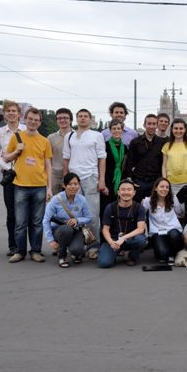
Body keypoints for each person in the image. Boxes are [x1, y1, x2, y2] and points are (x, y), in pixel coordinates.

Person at [3, 108, 53, 263]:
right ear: (25, 119)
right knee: (20, 222)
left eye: (36, 120)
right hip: (20, 185)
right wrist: (16, 152)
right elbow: (6, 158)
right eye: (30, 119)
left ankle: (36, 251)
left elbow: (48, 164)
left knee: (37, 222)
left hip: (39, 186)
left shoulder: (44, 141)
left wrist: (49, 187)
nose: (33, 122)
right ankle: (19, 251)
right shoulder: (17, 137)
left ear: (40, 122)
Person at [62, 108, 106, 259]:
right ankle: (77, 245)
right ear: (76, 119)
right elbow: (66, 159)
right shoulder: (70, 136)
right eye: (80, 116)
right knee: (74, 213)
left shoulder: (97, 135)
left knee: (92, 214)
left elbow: (102, 158)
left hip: (91, 176)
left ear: (90, 119)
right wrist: (65, 179)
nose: (82, 119)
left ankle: (93, 246)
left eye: (85, 116)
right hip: (74, 178)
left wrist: (101, 179)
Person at [0, 100, 26, 256]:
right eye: (8, 111)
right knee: (11, 212)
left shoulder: (26, 130)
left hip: (26, 175)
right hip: (9, 176)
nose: (11, 113)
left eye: (14, 111)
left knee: (27, 212)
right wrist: (1, 165)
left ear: (19, 114)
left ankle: (27, 246)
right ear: (4, 114)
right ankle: (13, 245)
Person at [42, 173, 93, 268]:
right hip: (59, 231)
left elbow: (89, 217)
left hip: (76, 230)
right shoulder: (56, 200)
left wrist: (77, 220)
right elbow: (46, 220)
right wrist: (51, 240)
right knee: (66, 230)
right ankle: (62, 256)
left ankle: (75, 252)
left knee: (77, 251)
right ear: (64, 185)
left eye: (76, 184)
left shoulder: (82, 200)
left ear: (79, 185)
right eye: (69, 184)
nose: (73, 187)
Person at [98, 178, 147, 267]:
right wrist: (111, 242)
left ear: (134, 192)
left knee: (140, 240)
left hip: (130, 238)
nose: (126, 192)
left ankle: (132, 257)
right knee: (104, 263)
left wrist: (123, 238)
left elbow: (140, 229)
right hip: (113, 239)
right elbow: (105, 229)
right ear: (118, 192)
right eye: (123, 190)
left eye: (129, 190)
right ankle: (114, 252)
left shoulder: (139, 208)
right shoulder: (110, 207)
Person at [125, 113, 166, 202]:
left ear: (157, 125)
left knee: (154, 209)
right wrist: (130, 180)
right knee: (139, 208)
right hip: (139, 182)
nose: (151, 126)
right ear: (144, 125)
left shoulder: (162, 142)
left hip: (155, 182)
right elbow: (130, 161)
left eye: (154, 124)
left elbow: (163, 163)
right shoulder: (135, 142)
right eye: (149, 123)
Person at [142, 177, 183, 266]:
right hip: (157, 231)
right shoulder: (147, 201)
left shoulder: (173, 199)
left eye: (167, 187)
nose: (164, 189)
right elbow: (142, 217)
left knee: (174, 235)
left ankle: (173, 253)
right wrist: (145, 230)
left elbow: (179, 213)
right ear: (156, 188)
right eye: (162, 186)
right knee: (162, 254)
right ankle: (163, 252)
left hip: (173, 229)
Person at [100, 119, 129, 221]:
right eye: (114, 128)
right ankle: (104, 235)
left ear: (122, 130)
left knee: (118, 211)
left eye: (119, 128)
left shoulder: (124, 147)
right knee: (105, 211)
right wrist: (102, 184)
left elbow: (124, 166)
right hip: (107, 182)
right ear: (110, 130)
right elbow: (99, 165)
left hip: (120, 182)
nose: (116, 130)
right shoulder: (104, 146)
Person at [162, 118, 187, 195]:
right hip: (171, 183)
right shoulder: (166, 146)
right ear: (172, 129)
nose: (178, 131)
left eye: (181, 128)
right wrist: (164, 180)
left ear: (185, 130)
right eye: (176, 128)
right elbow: (164, 166)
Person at [47, 108, 73, 195]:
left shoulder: (77, 136)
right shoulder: (51, 138)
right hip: (55, 175)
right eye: (59, 118)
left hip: (73, 174)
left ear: (71, 120)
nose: (62, 120)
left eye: (65, 118)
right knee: (56, 202)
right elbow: (48, 158)